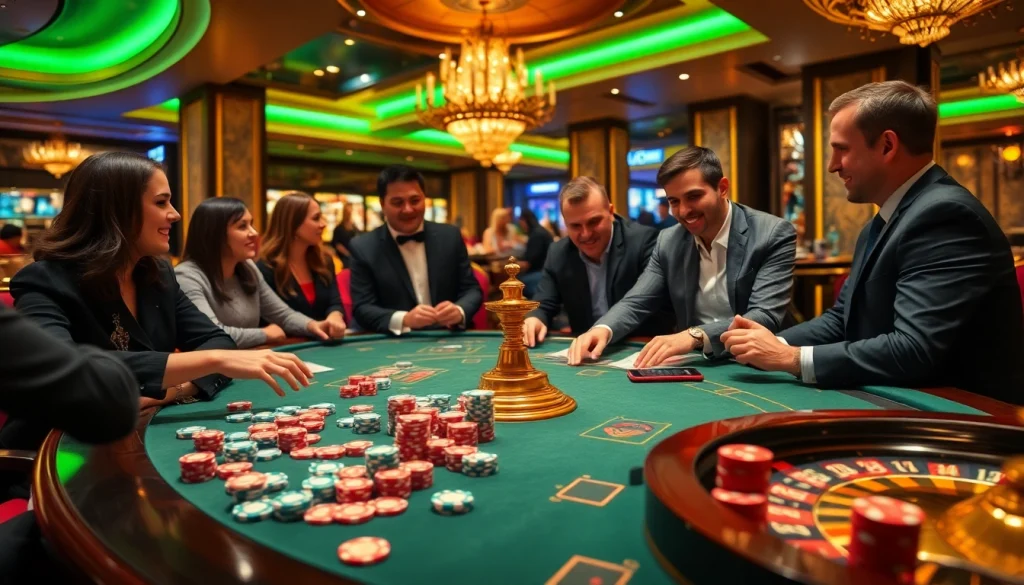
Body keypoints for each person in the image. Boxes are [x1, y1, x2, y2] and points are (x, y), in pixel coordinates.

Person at [722, 80, 1024, 405]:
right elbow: (842, 319)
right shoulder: (880, 223)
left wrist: (793, 359)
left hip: (963, 415)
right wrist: (770, 344)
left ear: (886, 146)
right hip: (901, 397)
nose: (832, 165)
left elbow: (914, 350)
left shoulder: (945, 214)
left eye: (842, 149)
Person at [10, 152, 315, 447]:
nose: (176, 214)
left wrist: (169, 390)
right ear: (118, 210)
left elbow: (218, 343)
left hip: (139, 435)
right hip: (58, 451)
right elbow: (69, 373)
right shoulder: (46, 280)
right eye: (161, 202)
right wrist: (212, 362)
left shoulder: (157, 274)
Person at [566, 147, 796, 366]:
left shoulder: (772, 233)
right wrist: (602, 329)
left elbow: (763, 316)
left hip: (759, 361)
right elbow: (637, 301)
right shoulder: (668, 240)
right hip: (697, 361)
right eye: (674, 201)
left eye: (693, 196)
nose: (684, 211)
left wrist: (694, 335)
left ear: (722, 188)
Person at [523, 176, 674, 347]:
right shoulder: (558, 252)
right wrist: (535, 318)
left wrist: (604, 330)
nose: (586, 234)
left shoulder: (644, 241)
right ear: (565, 223)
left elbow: (646, 302)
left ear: (610, 212)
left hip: (638, 348)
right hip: (585, 353)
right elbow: (544, 303)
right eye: (575, 226)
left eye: (594, 222)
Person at [175, 197, 343, 349]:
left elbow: (282, 315)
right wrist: (265, 334)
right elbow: (213, 335)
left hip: (249, 361)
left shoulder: (248, 268)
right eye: (242, 226)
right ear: (215, 235)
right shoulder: (187, 277)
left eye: (251, 224)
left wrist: (313, 326)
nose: (254, 233)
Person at [348, 165, 483, 335]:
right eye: (398, 202)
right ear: (382, 204)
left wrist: (459, 311)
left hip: (448, 336)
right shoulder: (363, 247)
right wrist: (404, 319)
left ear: (424, 198)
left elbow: (471, 289)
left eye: (415, 200)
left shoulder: (450, 236)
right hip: (393, 341)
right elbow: (362, 308)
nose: (408, 209)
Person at [257, 192, 348, 333]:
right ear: (292, 224)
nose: (323, 224)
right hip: (285, 348)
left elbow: (335, 302)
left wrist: (335, 316)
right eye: (316, 218)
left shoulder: (325, 261)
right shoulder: (266, 268)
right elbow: (273, 319)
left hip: (326, 345)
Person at [516, 208, 553, 298]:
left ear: (525, 221)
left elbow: (528, 263)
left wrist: (507, 266)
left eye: (521, 222)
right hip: (547, 272)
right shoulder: (541, 231)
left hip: (541, 274)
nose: (521, 226)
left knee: (514, 284)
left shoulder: (536, 235)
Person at [331, 201, 358, 266]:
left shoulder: (354, 227)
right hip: (343, 259)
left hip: (354, 257)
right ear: (344, 212)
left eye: (350, 211)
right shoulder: (339, 228)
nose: (349, 213)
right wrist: (348, 254)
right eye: (347, 212)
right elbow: (337, 244)